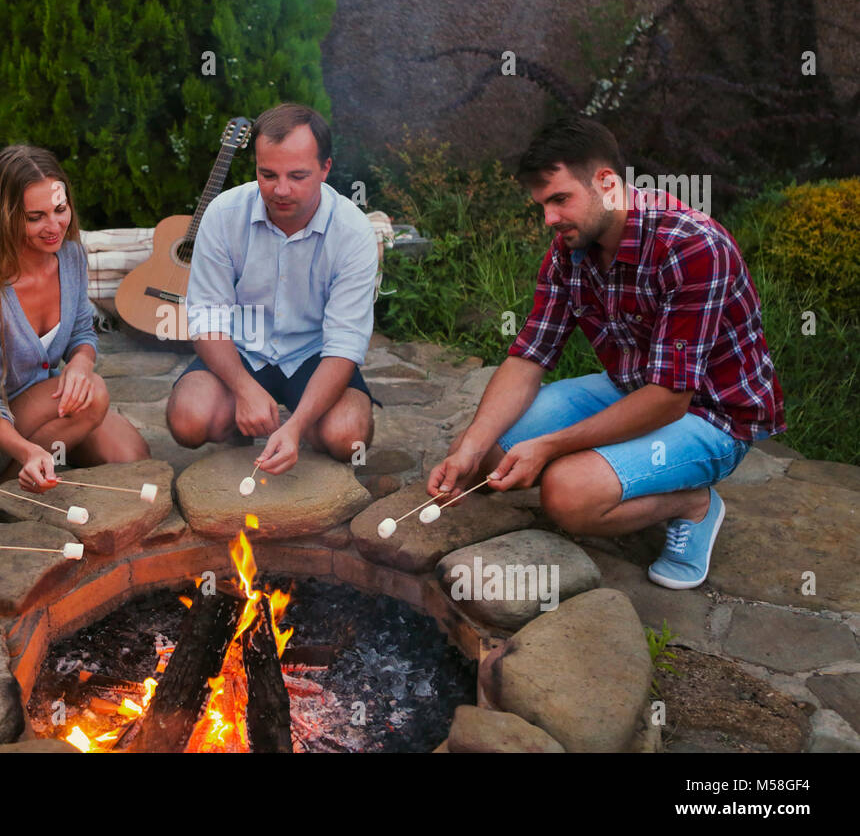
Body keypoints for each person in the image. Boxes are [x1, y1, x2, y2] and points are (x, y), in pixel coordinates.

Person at [428, 116, 785, 589]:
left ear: (607, 183)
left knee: (567, 495)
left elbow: (670, 399)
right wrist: (470, 449)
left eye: (560, 199)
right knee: (486, 458)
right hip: (632, 387)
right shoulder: (568, 249)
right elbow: (528, 357)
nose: (550, 219)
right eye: (542, 205)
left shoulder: (692, 245)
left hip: (713, 413)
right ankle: (607, 462)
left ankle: (692, 504)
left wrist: (552, 446)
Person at [166, 103, 381, 475]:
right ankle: (243, 420)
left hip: (315, 356)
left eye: (298, 176)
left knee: (350, 438)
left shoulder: (353, 231)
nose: (281, 190)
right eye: (267, 174)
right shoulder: (223, 214)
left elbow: (346, 343)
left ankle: (300, 424)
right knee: (188, 420)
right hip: (241, 349)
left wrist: (295, 426)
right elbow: (206, 318)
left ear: (325, 169)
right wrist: (244, 389)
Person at [0, 145, 149, 491]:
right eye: (36, 217)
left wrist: (80, 364)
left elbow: (81, 332)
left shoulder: (71, 255)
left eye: (60, 209)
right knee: (96, 396)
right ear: (6, 216)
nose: (54, 226)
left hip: (38, 400)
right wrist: (28, 450)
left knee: (132, 457)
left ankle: (51, 452)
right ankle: (7, 484)